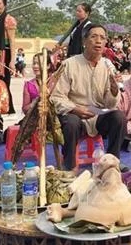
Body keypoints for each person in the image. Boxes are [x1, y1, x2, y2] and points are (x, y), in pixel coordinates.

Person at [50, 24, 126, 172]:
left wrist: (114, 90)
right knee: (71, 122)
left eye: (102, 38)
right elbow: (56, 97)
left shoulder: (107, 65)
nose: (98, 41)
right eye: (94, 37)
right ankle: (69, 166)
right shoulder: (69, 64)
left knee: (119, 117)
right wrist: (75, 109)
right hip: (74, 114)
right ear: (84, 41)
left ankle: (111, 162)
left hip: (97, 115)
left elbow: (110, 104)